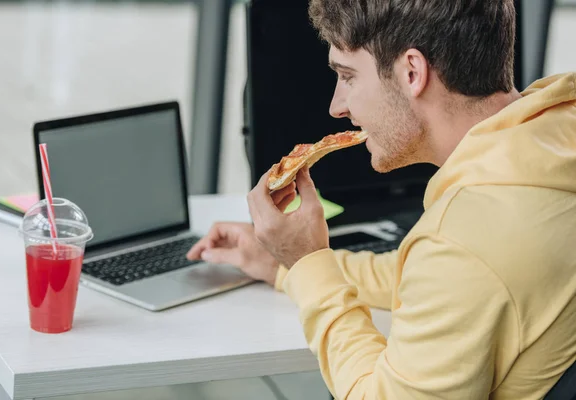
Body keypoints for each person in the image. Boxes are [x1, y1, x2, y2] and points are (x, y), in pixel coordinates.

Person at [188, 0, 576, 398]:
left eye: (348, 76)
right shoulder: (556, 133)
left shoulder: (464, 240)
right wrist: (285, 263)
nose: (337, 106)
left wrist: (308, 264)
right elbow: (419, 278)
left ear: (412, 72)